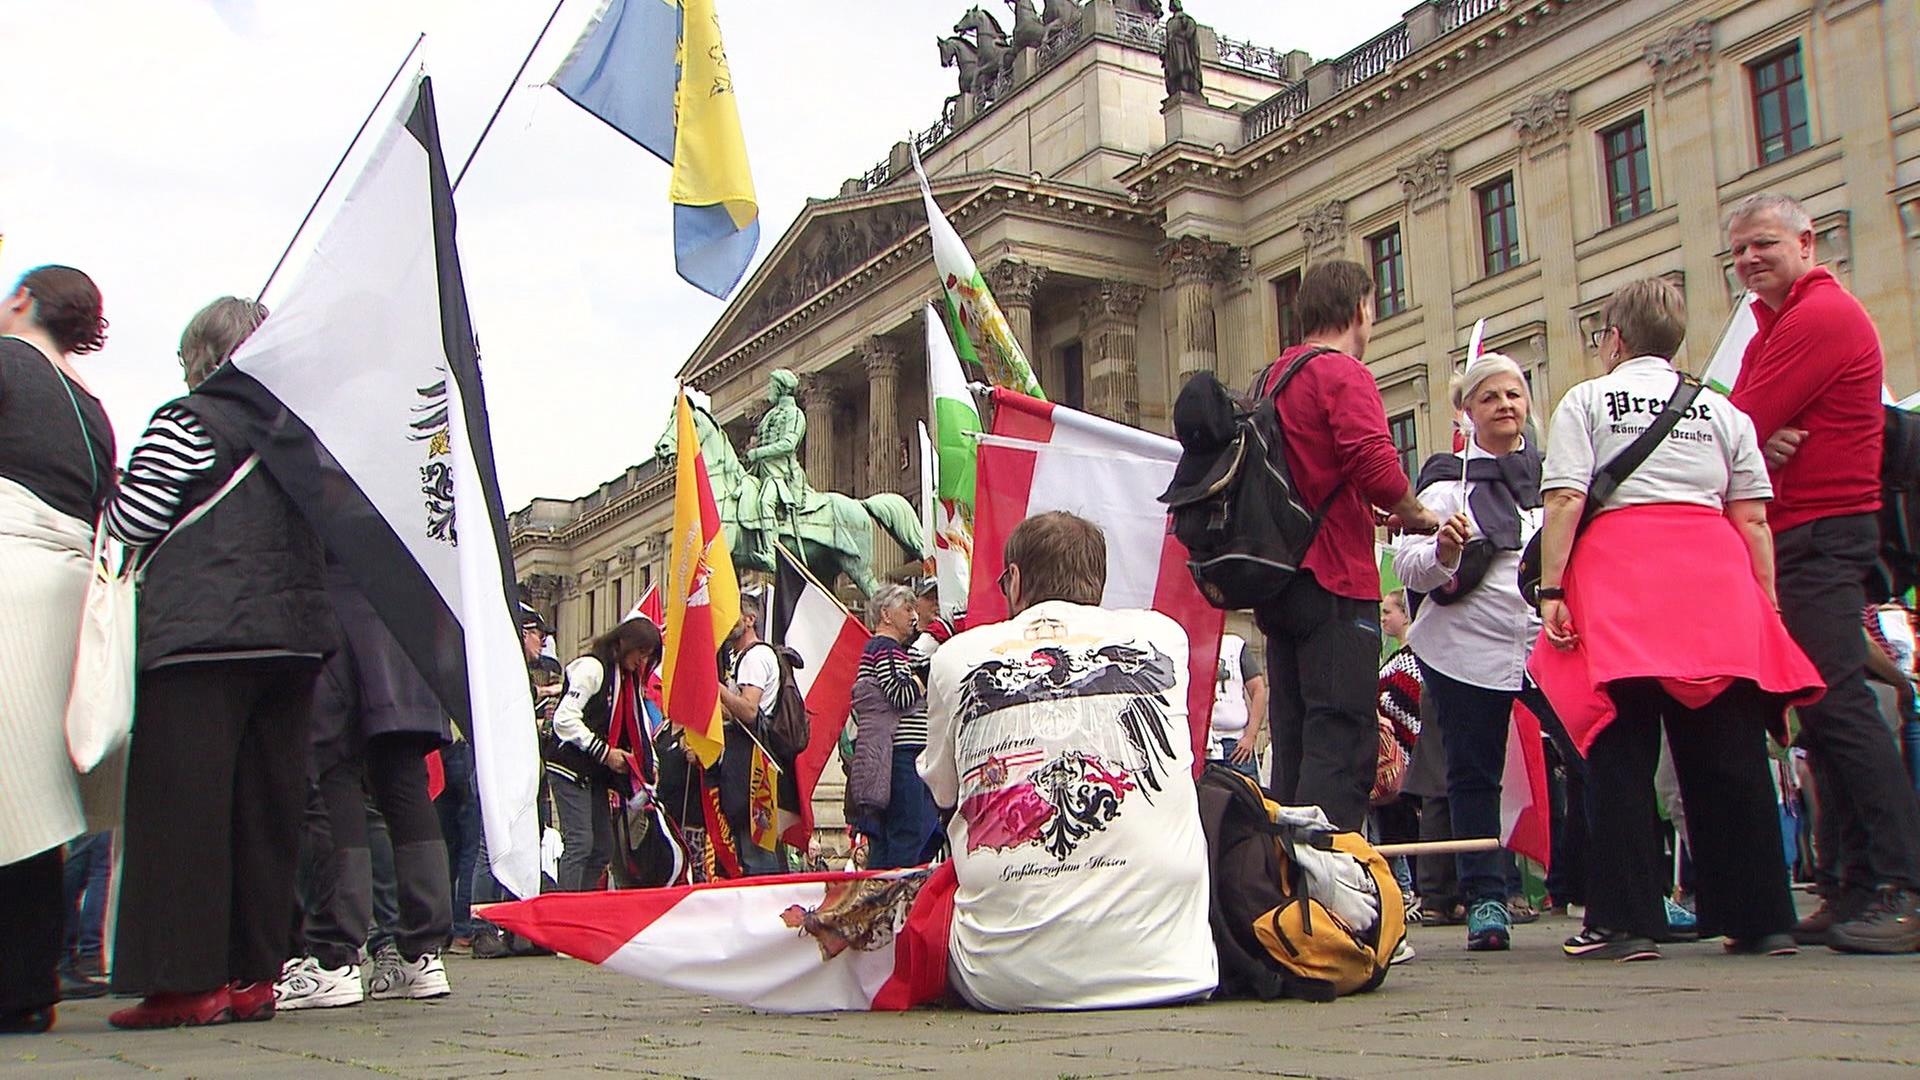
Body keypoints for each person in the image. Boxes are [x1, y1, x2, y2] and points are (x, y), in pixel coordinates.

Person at [1528, 276, 1822, 961]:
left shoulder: (1588, 400)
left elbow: (1566, 499)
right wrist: (1766, 603)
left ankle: (1625, 922)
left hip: (1621, 576)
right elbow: (1752, 517)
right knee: (1730, 753)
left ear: (1614, 339)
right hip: (1714, 578)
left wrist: (1552, 590)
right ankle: (1759, 918)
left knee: (1621, 749)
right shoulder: (1722, 411)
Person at [106, 296, 337, 1027]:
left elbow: (132, 520)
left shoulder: (188, 420)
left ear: (201, 357)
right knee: (267, 812)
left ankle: (185, 981)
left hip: (202, 637)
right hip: (295, 639)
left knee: (185, 809)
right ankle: (254, 974)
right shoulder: (304, 436)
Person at [1726, 193, 1920, 952]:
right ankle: (1854, 884)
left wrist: (1754, 436)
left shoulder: (1819, 317)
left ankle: (1902, 885)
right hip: (1800, 533)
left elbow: (1737, 423)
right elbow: (1742, 421)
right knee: (1822, 707)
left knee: (1836, 702)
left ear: (1806, 242)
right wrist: (1753, 435)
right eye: (1739, 249)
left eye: (1764, 244)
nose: (1749, 259)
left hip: (1823, 530)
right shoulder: (1773, 325)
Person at [921, 512, 1216, 1011]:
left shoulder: (957, 656)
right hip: (1171, 967)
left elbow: (943, 792)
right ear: (1097, 582)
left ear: (1015, 580)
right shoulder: (1162, 637)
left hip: (1003, 978)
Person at [1254, 259, 1439, 832]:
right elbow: (1375, 465)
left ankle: (1285, 872)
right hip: (1335, 579)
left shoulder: (1272, 379)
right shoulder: (1341, 372)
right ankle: (1326, 873)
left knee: (1294, 740)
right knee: (1341, 741)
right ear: (1360, 308)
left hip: (1280, 582)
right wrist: (1417, 513)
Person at [1392, 353, 1542, 952]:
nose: (1505, 405)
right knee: (1473, 773)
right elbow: (1407, 565)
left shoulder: (1551, 479)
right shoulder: (1446, 486)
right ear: (1468, 413)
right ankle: (1485, 898)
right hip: (1466, 648)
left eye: (1514, 394)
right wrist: (1443, 553)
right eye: (1490, 397)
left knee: (1596, 757)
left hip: (1545, 641)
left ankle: (1619, 889)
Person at [0, 266, 115, 1035]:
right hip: (67, 588)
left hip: (9, 570)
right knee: (33, 799)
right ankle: (27, 982)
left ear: (23, 301)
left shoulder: (4, 361)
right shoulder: (93, 409)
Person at [274, 568, 453, 1011]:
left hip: (336, 606)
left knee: (332, 771)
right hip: (407, 620)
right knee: (404, 778)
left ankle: (334, 958)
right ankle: (422, 954)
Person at [547, 620, 660, 892]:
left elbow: (640, 728)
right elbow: (564, 719)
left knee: (602, 848)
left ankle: (582, 904)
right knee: (580, 842)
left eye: (648, 656)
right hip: (569, 766)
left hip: (594, 772)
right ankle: (565, 909)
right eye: (641, 652)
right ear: (624, 643)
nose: (642, 661)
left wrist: (648, 764)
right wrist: (605, 752)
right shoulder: (592, 668)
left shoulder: (627, 682)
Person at [852, 584, 941, 870]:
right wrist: (923, 677)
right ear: (886, 615)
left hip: (899, 753)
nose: (914, 616)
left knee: (906, 834)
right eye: (907, 609)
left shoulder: (890, 651)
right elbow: (900, 695)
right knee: (909, 831)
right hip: (903, 754)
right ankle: (896, 891)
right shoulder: (885, 648)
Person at [717, 595, 788, 875]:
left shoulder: (754, 657)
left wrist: (717, 688)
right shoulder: (746, 659)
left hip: (752, 766)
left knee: (757, 851)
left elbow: (748, 710)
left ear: (750, 619)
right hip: (747, 763)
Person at [1206, 633, 1267, 779]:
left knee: (1247, 791)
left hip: (1236, 744)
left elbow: (1258, 690)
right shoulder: (1186, 643)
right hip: (1203, 744)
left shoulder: (1234, 645)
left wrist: (1250, 737)